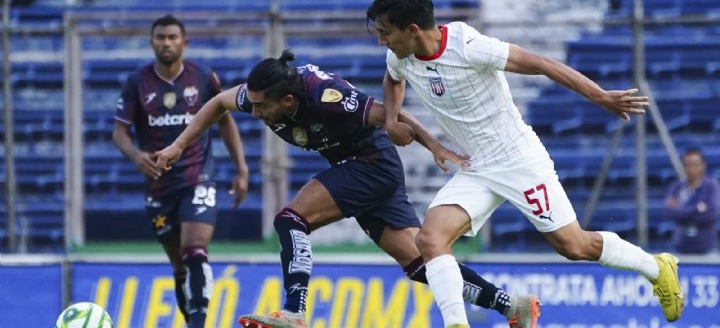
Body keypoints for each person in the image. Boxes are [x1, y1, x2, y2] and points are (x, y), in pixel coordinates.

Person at [367, 0, 685, 327]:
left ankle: (657, 267)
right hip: (476, 167)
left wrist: (600, 96)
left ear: (413, 30)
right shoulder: (401, 55)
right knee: (429, 238)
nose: (382, 41)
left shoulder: (469, 46)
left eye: (386, 33)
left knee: (573, 246)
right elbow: (392, 79)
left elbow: (542, 63)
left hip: (518, 159)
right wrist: (392, 118)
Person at [156, 51, 541, 328]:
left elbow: (390, 116)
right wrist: (177, 145)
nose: (253, 114)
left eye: (260, 108)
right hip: (360, 168)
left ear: (288, 101)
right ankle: (512, 306)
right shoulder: (266, 93)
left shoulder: (327, 97)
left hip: (370, 163)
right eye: (252, 105)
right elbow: (219, 103)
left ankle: (294, 311)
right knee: (421, 264)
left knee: (291, 219)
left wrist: (435, 146)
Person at [112, 15, 249, 328]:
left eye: (173, 37)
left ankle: (198, 324)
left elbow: (226, 121)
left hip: (197, 176)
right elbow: (119, 132)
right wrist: (135, 155)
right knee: (179, 266)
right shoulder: (137, 82)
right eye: (160, 37)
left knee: (195, 250)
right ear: (152, 43)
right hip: (159, 185)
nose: (166, 43)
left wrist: (241, 168)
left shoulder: (202, 77)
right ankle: (192, 319)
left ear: (184, 43)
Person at [664, 148, 720, 254]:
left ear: (703, 165)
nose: (691, 168)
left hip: (707, 249)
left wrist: (682, 210)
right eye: (688, 164)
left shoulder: (711, 186)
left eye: (695, 164)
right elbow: (669, 212)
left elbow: (712, 214)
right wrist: (697, 208)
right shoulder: (676, 187)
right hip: (680, 247)